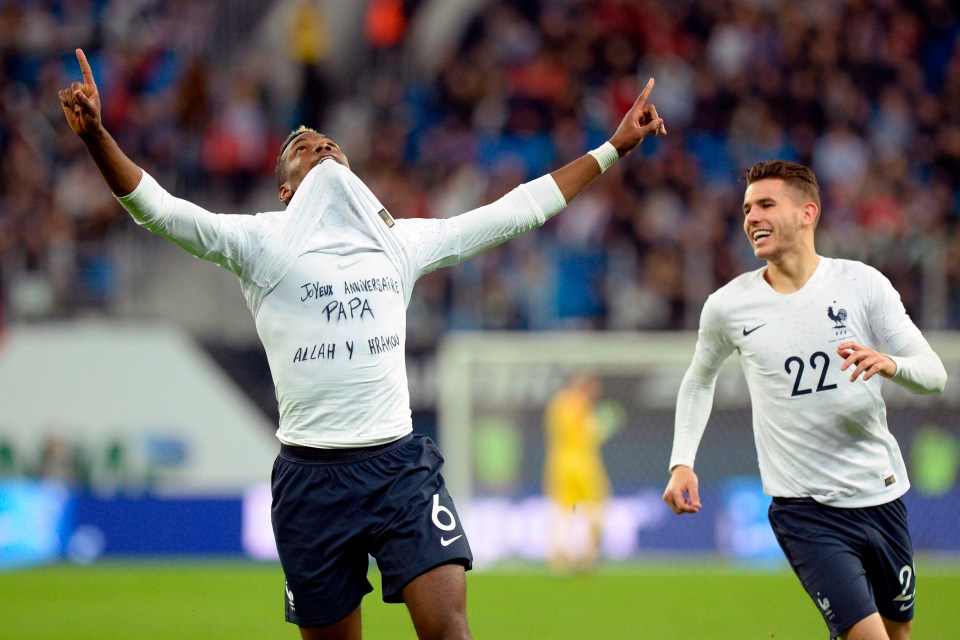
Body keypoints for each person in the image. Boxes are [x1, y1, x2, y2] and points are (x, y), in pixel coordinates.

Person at [59, 48, 666, 640]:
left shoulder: (398, 242)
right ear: (286, 191)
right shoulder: (260, 244)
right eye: (303, 149)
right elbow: (159, 210)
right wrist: (96, 139)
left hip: (399, 468)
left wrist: (612, 149)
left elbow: (516, 212)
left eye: (330, 145)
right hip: (310, 479)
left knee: (449, 627)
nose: (321, 147)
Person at [661, 160, 947, 640]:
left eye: (766, 205)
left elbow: (935, 375)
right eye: (747, 208)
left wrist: (890, 364)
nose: (752, 217)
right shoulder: (729, 306)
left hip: (881, 493)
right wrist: (681, 462)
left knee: (899, 634)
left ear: (807, 213)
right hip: (805, 509)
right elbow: (699, 379)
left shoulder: (862, 284)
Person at [542, 372, 611, 573]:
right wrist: (605, 424)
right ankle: (588, 554)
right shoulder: (581, 405)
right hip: (583, 464)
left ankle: (559, 555)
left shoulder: (556, 405)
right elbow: (589, 435)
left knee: (563, 509)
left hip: (559, 462)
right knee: (595, 506)